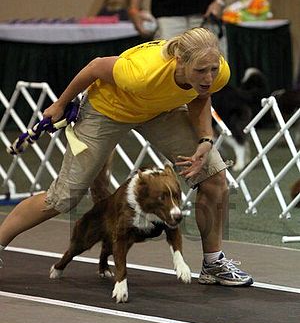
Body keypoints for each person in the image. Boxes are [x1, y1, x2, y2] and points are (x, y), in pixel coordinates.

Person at [0, 28, 253, 286]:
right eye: (201, 70)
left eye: (212, 69)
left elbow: (201, 96)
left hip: (157, 110)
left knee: (214, 176)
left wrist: (205, 140)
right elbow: (96, 67)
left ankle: (214, 264)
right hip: (107, 109)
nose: (209, 76)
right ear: (180, 61)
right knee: (63, 197)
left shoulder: (218, 72)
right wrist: (60, 104)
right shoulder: (143, 72)